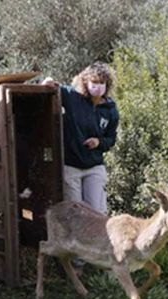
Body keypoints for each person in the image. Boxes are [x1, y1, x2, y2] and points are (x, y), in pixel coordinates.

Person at [43, 62, 120, 214]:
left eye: (102, 83)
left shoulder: (111, 110)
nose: (98, 86)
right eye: (94, 82)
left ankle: (98, 239)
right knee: (76, 214)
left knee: (97, 212)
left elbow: (111, 139)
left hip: (94, 166)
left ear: (107, 84)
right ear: (86, 82)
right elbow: (54, 87)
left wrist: (99, 142)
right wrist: (47, 81)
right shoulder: (72, 97)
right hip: (71, 166)